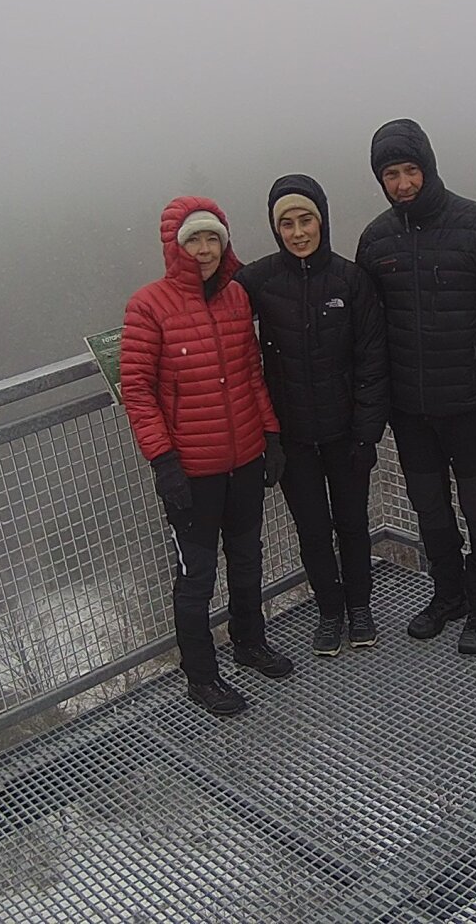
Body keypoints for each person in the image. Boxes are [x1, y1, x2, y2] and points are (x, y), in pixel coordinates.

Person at [355, 119, 476, 655]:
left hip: (471, 406)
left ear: (429, 167)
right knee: (429, 508)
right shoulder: (376, 240)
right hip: (409, 410)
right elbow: (366, 332)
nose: (403, 183)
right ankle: (448, 595)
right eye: (391, 174)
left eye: (411, 170)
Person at [121, 195, 295, 715]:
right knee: (197, 577)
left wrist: (270, 435)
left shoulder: (236, 298)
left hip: (243, 458)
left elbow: (250, 374)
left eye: (211, 239)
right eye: (193, 240)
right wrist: (163, 460)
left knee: (247, 558)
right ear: (174, 247)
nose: (203, 250)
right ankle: (201, 676)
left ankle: (249, 641)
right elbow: (138, 390)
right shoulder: (148, 306)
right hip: (191, 470)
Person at [236, 174, 390, 657]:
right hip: (293, 437)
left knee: (352, 524)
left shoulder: (350, 280)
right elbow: (207, 298)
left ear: (322, 220)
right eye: (287, 223)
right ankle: (329, 611)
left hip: (346, 433)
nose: (298, 232)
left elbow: (372, 361)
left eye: (306, 220)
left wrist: (367, 435)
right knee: (313, 530)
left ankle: (359, 607)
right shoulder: (260, 281)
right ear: (275, 228)